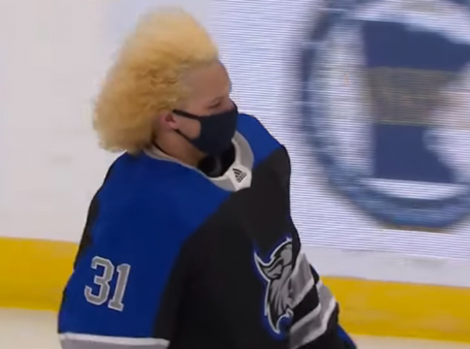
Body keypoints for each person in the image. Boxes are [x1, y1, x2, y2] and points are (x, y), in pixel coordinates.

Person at [58, 7, 357, 349]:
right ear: (170, 118)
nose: (230, 111)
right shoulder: (137, 212)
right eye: (214, 105)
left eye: (228, 96)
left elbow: (287, 272)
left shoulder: (259, 150)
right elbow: (100, 337)